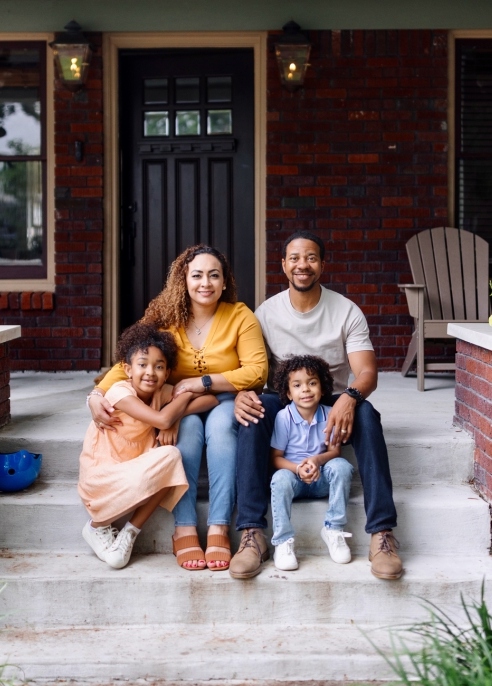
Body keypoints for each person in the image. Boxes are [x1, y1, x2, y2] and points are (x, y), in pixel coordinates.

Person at [229, 230, 403, 581]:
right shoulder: (266, 313)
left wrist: (351, 398)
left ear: (322, 264)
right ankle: (251, 534)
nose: (302, 265)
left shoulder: (345, 311)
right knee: (253, 413)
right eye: (294, 258)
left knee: (367, 415)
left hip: (336, 396)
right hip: (285, 397)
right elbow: (250, 366)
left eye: (310, 257)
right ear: (283, 265)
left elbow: (367, 371)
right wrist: (240, 392)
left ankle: (382, 534)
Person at [88, 245, 267, 571]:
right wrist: (97, 393)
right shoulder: (166, 316)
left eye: (214, 275)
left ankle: (219, 526)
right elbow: (130, 356)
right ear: (183, 279)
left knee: (220, 429)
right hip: (177, 403)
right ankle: (184, 528)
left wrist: (205, 382)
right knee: (186, 432)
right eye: (197, 275)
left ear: (225, 281)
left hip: (222, 398)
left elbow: (256, 371)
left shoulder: (240, 315)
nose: (205, 283)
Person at [79, 323, 216, 569]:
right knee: (170, 456)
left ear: (167, 373)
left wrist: (180, 401)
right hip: (102, 478)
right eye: (142, 365)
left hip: (134, 473)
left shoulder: (161, 393)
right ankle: (96, 526)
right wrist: (178, 405)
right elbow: (163, 420)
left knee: (171, 459)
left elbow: (210, 398)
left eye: (159, 367)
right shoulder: (120, 392)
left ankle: (129, 533)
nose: (150, 372)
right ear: (127, 369)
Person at [269, 354, 354, 571]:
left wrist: (317, 460)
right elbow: (275, 458)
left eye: (312, 383)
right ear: (288, 393)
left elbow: (335, 451)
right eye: (297, 385)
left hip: (320, 478)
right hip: (294, 481)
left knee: (342, 467)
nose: (305, 389)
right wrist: (297, 468)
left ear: (323, 388)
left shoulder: (330, 414)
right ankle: (283, 541)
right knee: (279, 479)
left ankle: (333, 529)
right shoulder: (283, 417)